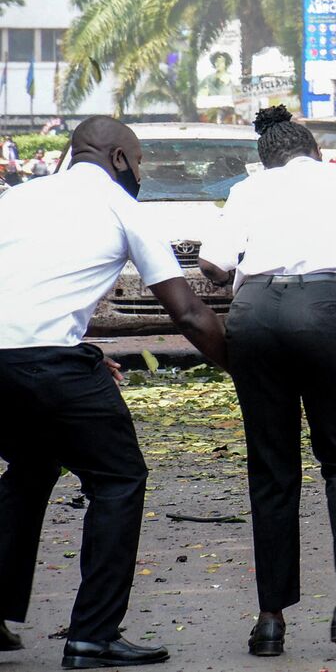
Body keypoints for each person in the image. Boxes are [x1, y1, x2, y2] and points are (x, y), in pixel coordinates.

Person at [195, 106, 336, 657]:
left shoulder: (250, 190)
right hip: (325, 312)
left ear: (266, 158)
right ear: (315, 152)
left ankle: (270, 620)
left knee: (272, 469)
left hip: (253, 317)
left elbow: (211, 265)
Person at [0, 117, 229, 669]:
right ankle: (92, 637)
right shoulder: (123, 207)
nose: (142, 173)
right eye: (141, 161)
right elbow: (189, 313)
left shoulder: (17, 197)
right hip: (50, 365)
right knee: (119, 479)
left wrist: (77, 346)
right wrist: (245, 371)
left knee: (31, 470)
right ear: (120, 159)